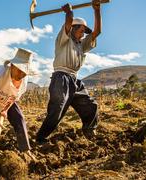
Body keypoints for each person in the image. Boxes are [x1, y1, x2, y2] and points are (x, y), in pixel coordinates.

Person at [36, 0, 102, 144]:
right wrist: (69, 12)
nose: (83, 34)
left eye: (84, 31)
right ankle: (41, 138)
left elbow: (97, 32)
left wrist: (96, 10)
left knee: (91, 105)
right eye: (81, 30)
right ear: (72, 28)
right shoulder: (63, 39)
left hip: (74, 80)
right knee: (57, 109)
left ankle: (89, 129)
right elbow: (69, 21)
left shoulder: (81, 45)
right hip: (61, 78)